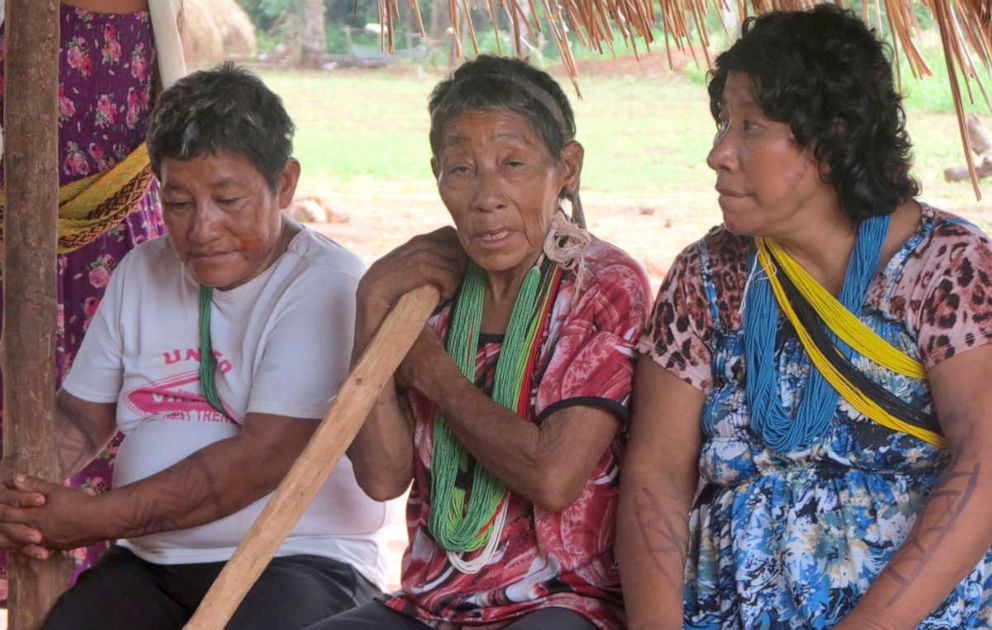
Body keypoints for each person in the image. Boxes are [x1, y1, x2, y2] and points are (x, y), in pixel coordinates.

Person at [617, 5, 992, 629]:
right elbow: (655, 476)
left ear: (831, 139)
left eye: (751, 127)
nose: (719, 153)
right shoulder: (707, 278)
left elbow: (985, 461)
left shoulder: (946, 268)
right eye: (723, 124)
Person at [0, 63, 395, 630]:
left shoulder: (325, 283)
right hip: (153, 563)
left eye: (228, 199)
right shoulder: (143, 270)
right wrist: (21, 497)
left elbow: (260, 459)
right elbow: (82, 420)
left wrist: (92, 517)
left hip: (299, 561)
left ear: (284, 184)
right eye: (179, 203)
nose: (201, 228)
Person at [306, 55, 651, 629]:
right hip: (430, 604)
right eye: (460, 170)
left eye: (512, 163)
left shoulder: (602, 284)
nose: (485, 197)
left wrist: (432, 374)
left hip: (561, 603)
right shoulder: (428, 292)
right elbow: (381, 478)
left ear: (566, 167)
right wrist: (371, 306)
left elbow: (552, 477)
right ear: (437, 174)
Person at [0, 0, 185, 595]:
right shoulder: (23, 12)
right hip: (19, 243)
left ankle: (99, 578)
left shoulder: (161, 11)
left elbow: (180, 116)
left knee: (115, 407)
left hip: (119, 247)